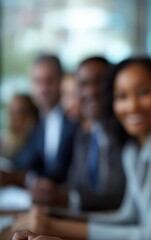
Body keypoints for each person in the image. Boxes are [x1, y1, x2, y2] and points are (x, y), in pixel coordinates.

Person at [12, 57, 151, 240]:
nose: (132, 106)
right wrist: (50, 219)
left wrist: (54, 226)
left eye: (143, 92)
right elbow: (127, 218)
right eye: (122, 96)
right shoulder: (134, 150)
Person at [30, 56, 126, 212]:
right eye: (83, 84)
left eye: (100, 81)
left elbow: (117, 197)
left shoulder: (125, 133)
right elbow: (74, 185)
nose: (91, 91)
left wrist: (66, 198)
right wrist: (50, 191)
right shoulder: (85, 135)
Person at [0, 54, 78, 187]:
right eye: (37, 81)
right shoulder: (37, 121)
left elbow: (64, 174)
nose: (43, 88)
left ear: (61, 80)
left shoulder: (74, 118)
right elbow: (24, 162)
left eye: (49, 80)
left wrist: (21, 178)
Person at [0, 94, 38, 161]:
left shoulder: (36, 139)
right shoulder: (5, 141)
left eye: (19, 112)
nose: (13, 117)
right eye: (11, 112)